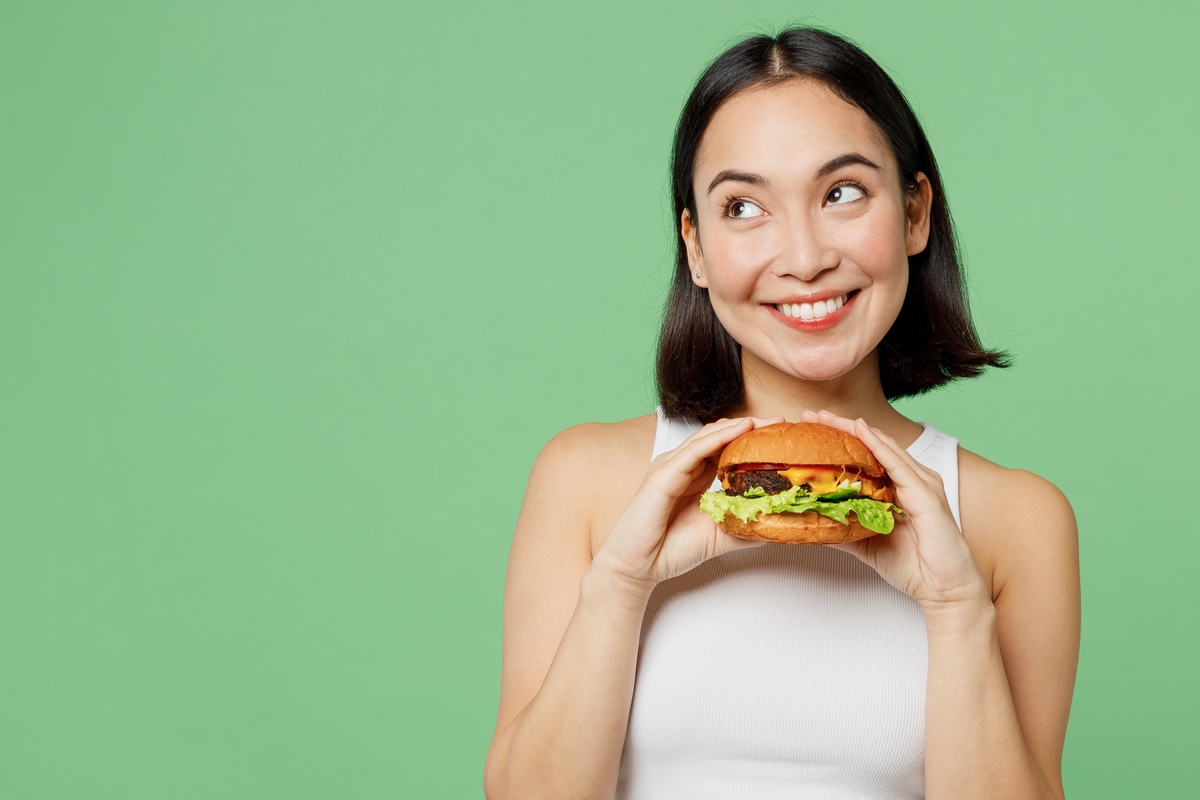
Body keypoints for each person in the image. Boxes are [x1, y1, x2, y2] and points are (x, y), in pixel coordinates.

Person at [483, 27, 1080, 800]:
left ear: (914, 214)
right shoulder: (588, 480)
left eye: (842, 193)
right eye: (743, 206)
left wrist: (956, 608)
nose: (802, 256)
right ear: (695, 248)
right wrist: (622, 582)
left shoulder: (1017, 521)